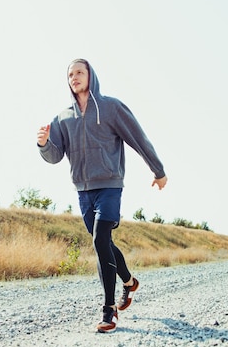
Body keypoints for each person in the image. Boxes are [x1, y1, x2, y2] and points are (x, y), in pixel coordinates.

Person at [37, 58, 167, 333]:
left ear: (90, 76)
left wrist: (158, 170)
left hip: (110, 185)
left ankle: (109, 312)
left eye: (79, 72)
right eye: (70, 74)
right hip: (83, 190)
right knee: (102, 242)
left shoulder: (110, 108)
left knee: (100, 239)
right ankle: (129, 282)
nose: (75, 77)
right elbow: (55, 156)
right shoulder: (62, 118)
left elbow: (138, 138)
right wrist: (44, 144)